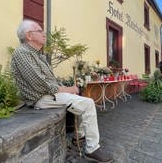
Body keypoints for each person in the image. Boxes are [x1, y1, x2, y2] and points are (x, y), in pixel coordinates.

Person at [11, 19, 113, 163]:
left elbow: (50, 80)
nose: (44, 34)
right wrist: (69, 89)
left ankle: (80, 138)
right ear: (29, 36)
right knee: (88, 103)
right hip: (41, 97)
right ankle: (92, 149)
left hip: (49, 94)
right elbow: (40, 84)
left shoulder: (37, 55)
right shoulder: (22, 53)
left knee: (82, 102)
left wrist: (66, 88)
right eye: (40, 31)